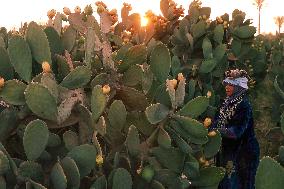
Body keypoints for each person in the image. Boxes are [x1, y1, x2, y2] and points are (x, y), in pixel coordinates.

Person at [209, 69, 260, 189]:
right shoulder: (226, 102)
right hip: (227, 150)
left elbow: (237, 132)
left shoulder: (244, 106)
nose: (227, 87)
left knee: (239, 184)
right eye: (226, 83)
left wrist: (216, 131)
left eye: (231, 85)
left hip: (243, 152)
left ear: (239, 87)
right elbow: (218, 120)